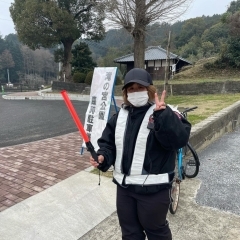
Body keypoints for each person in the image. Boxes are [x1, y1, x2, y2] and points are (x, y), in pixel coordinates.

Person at [90, 68, 191, 240]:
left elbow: (178, 140)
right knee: (129, 233)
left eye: (140, 88)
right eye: (131, 89)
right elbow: (108, 145)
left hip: (154, 190)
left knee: (156, 231)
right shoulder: (118, 117)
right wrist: (103, 157)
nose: (136, 92)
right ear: (126, 93)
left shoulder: (165, 112)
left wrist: (163, 116)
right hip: (125, 190)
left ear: (150, 91)